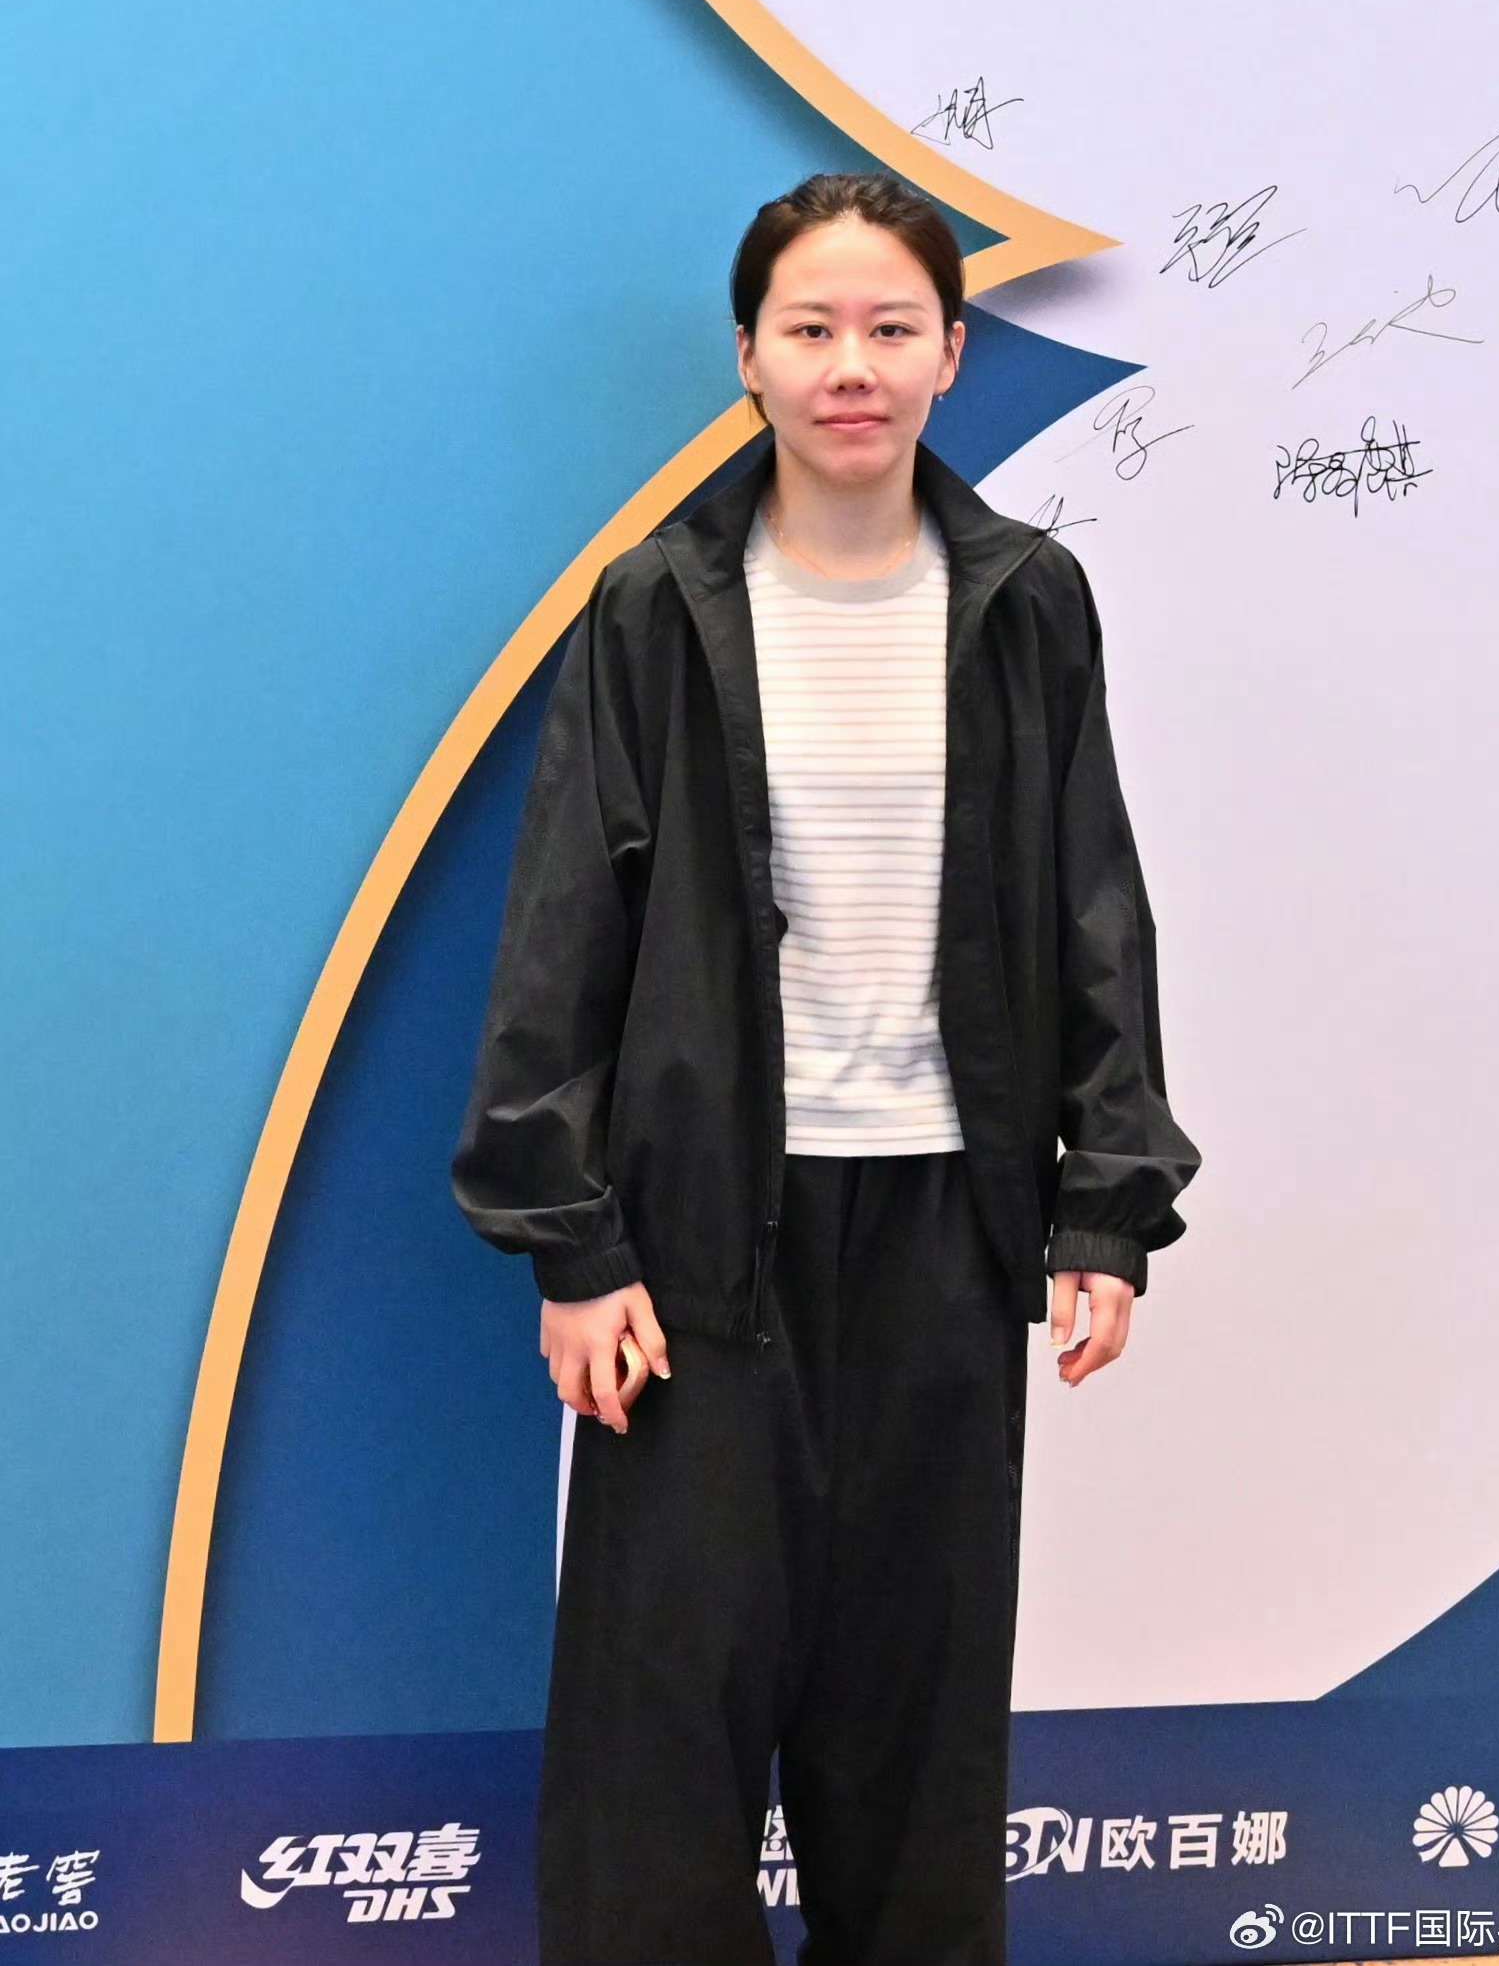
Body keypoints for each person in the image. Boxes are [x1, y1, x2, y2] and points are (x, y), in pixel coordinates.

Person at [452, 171, 1200, 1966]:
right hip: (699, 1246)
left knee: (914, 1724)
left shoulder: (1024, 599)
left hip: (947, 1228)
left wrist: (1105, 1202)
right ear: (749, 358)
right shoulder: (658, 605)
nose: (848, 365)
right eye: (809, 328)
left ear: (950, 354)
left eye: (888, 327)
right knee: (662, 1723)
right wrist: (573, 1242)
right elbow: (566, 926)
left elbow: (1090, 902)